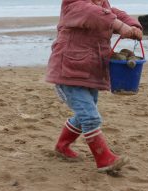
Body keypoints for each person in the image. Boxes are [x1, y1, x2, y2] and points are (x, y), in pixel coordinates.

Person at [45, 0, 143, 173]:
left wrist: (133, 25)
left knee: (84, 113)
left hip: (90, 71)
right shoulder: (73, 4)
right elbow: (92, 13)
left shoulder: (102, 4)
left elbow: (113, 12)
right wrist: (119, 26)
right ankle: (104, 158)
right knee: (90, 116)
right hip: (67, 70)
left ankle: (62, 145)